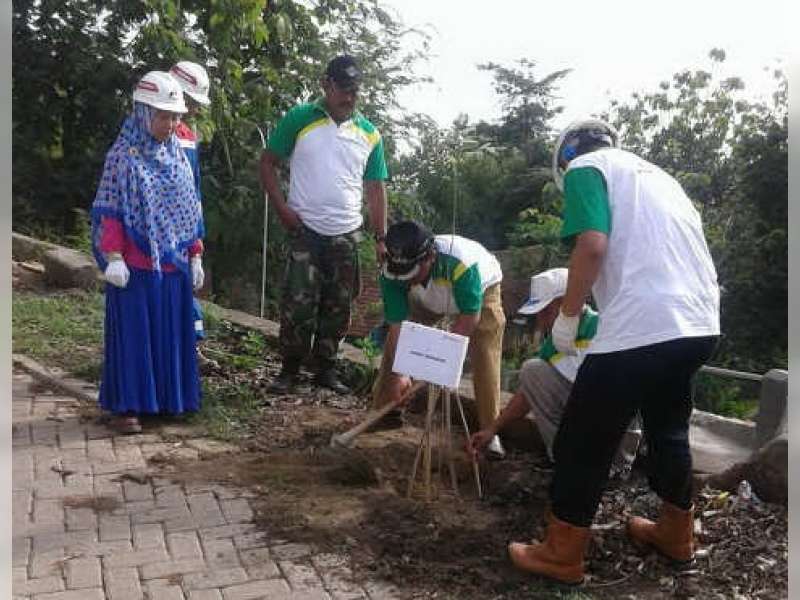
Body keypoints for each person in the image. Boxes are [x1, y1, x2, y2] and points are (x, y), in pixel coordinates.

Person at [507, 119, 720, 584]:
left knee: (582, 438)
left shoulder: (587, 168)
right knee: (668, 427)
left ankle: (562, 553)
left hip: (642, 324)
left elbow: (592, 246)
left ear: (565, 160)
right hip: (699, 322)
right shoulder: (663, 181)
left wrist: (567, 316)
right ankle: (675, 532)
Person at [259, 54, 388, 395]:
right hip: (305, 230)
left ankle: (326, 370)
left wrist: (380, 237)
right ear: (326, 85)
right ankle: (289, 370)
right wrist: (283, 209)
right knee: (298, 304)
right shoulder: (301, 119)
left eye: (355, 91)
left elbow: (376, 189)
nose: (349, 97)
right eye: (343, 89)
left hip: (346, 235)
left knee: (339, 306)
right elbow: (268, 162)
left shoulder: (370, 134)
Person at [90, 71, 206, 434]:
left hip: (173, 267)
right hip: (135, 267)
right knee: (136, 337)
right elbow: (111, 210)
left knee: (170, 335)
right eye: (163, 115)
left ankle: (171, 400)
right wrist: (114, 257)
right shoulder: (122, 157)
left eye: (175, 116)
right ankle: (129, 405)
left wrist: (196, 254)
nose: (171, 123)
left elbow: (191, 208)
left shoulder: (177, 157)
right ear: (143, 113)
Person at [467, 267, 642, 478]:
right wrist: (492, 429)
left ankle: (610, 467)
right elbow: (527, 395)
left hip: (613, 427)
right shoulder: (554, 344)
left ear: (569, 302)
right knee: (533, 371)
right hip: (585, 418)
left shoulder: (605, 328)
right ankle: (566, 459)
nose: (541, 323)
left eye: (546, 312)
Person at [373, 220, 507, 458]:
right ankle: (385, 410)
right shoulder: (393, 275)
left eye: (411, 273)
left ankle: (489, 432)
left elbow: (469, 317)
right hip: (427, 298)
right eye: (401, 275)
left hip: (480, 295)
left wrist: (440, 362)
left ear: (430, 257)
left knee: (485, 352)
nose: (406, 279)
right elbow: (398, 328)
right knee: (395, 354)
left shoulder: (462, 265)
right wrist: (401, 373)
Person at [169, 60, 212, 342]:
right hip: (152, 239)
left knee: (185, 308)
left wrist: (196, 251)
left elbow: (193, 195)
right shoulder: (143, 132)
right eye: (191, 101)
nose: (194, 109)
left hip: (182, 237)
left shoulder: (187, 137)